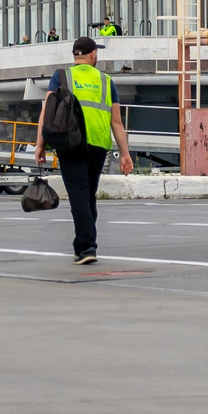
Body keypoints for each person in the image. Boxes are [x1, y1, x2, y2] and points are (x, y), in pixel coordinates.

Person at [33, 34, 132, 264]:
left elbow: (47, 112)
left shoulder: (61, 77)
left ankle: (87, 247)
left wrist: (40, 145)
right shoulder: (106, 81)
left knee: (79, 195)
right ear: (93, 54)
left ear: (75, 55)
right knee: (87, 196)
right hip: (98, 145)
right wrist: (125, 154)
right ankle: (81, 246)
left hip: (71, 143)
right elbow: (116, 122)